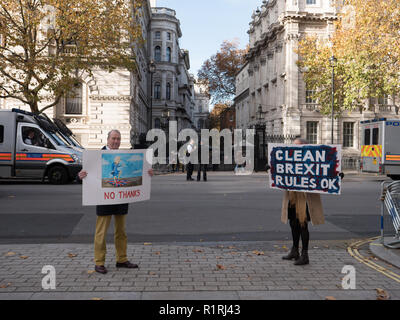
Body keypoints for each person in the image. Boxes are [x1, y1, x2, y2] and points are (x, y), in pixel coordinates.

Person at [78, 130, 154, 274]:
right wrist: (80, 176)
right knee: (101, 233)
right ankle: (99, 262)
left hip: (121, 200)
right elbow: (84, 174)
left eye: (118, 139)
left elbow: (137, 170)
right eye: (113, 138)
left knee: (121, 232)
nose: (116, 141)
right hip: (104, 200)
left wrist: (148, 172)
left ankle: (122, 259)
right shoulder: (96, 156)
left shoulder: (124, 156)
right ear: (107, 140)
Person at [267, 138, 344, 266]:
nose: (295, 149)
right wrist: (270, 168)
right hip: (292, 196)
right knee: (293, 223)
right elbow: (280, 168)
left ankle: (305, 254)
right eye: (294, 146)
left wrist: (337, 175)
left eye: (298, 146)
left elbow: (326, 169)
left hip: (306, 197)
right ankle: (294, 250)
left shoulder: (313, 160)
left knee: (303, 224)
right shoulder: (291, 159)